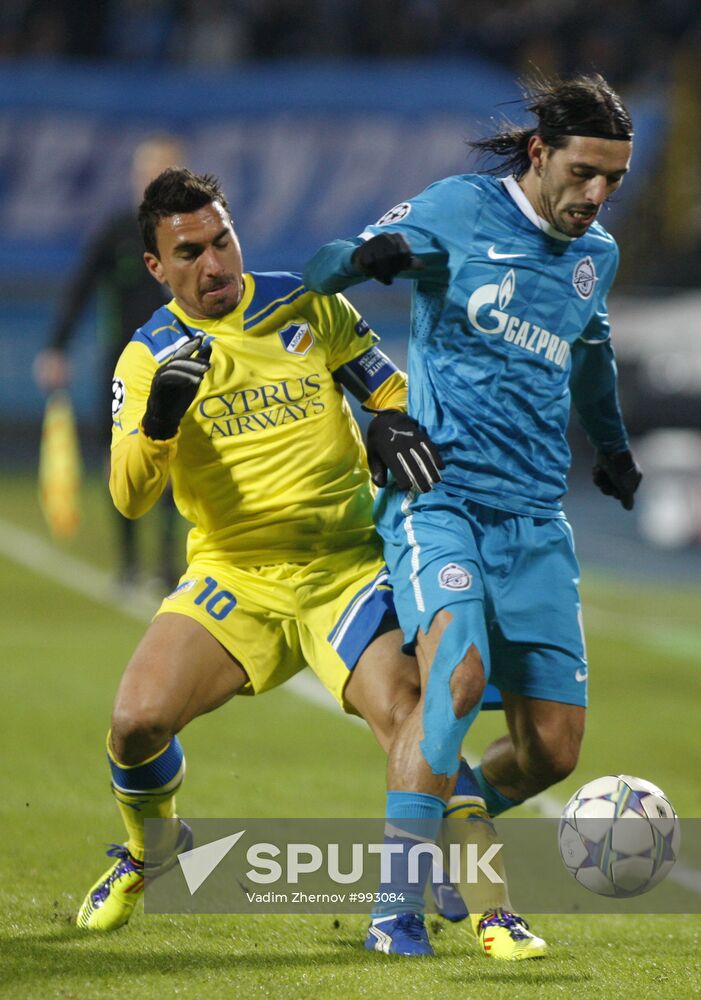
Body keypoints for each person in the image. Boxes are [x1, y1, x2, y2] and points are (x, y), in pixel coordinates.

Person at [303, 73, 643, 957]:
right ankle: (394, 911)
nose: (596, 194)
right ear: (539, 153)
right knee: (454, 680)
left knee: (552, 750)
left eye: (612, 179)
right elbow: (322, 269)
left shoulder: (595, 256)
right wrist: (368, 259)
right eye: (582, 172)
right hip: (439, 498)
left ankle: (454, 836)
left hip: (536, 519)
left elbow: (592, 357)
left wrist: (612, 449)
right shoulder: (459, 211)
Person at [76, 167, 446, 932]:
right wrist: (158, 425)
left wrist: (391, 422)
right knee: (136, 723)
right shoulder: (148, 358)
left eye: (223, 241)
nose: (214, 264)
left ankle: (424, 902)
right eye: (189, 254)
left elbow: (390, 391)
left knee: (409, 711)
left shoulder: (306, 302)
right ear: (156, 267)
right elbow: (128, 496)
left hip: (345, 568)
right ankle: (153, 848)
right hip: (236, 577)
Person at [33, 136, 186, 588]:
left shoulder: (190, 234)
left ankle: (167, 563)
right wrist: (57, 346)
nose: (151, 179)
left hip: (177, 364)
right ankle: (129, 563)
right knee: (119, 460)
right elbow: (80, 288)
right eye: (146, 170)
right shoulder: (117, 232)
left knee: (177, 461)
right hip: (122, 368)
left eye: (162, 170)